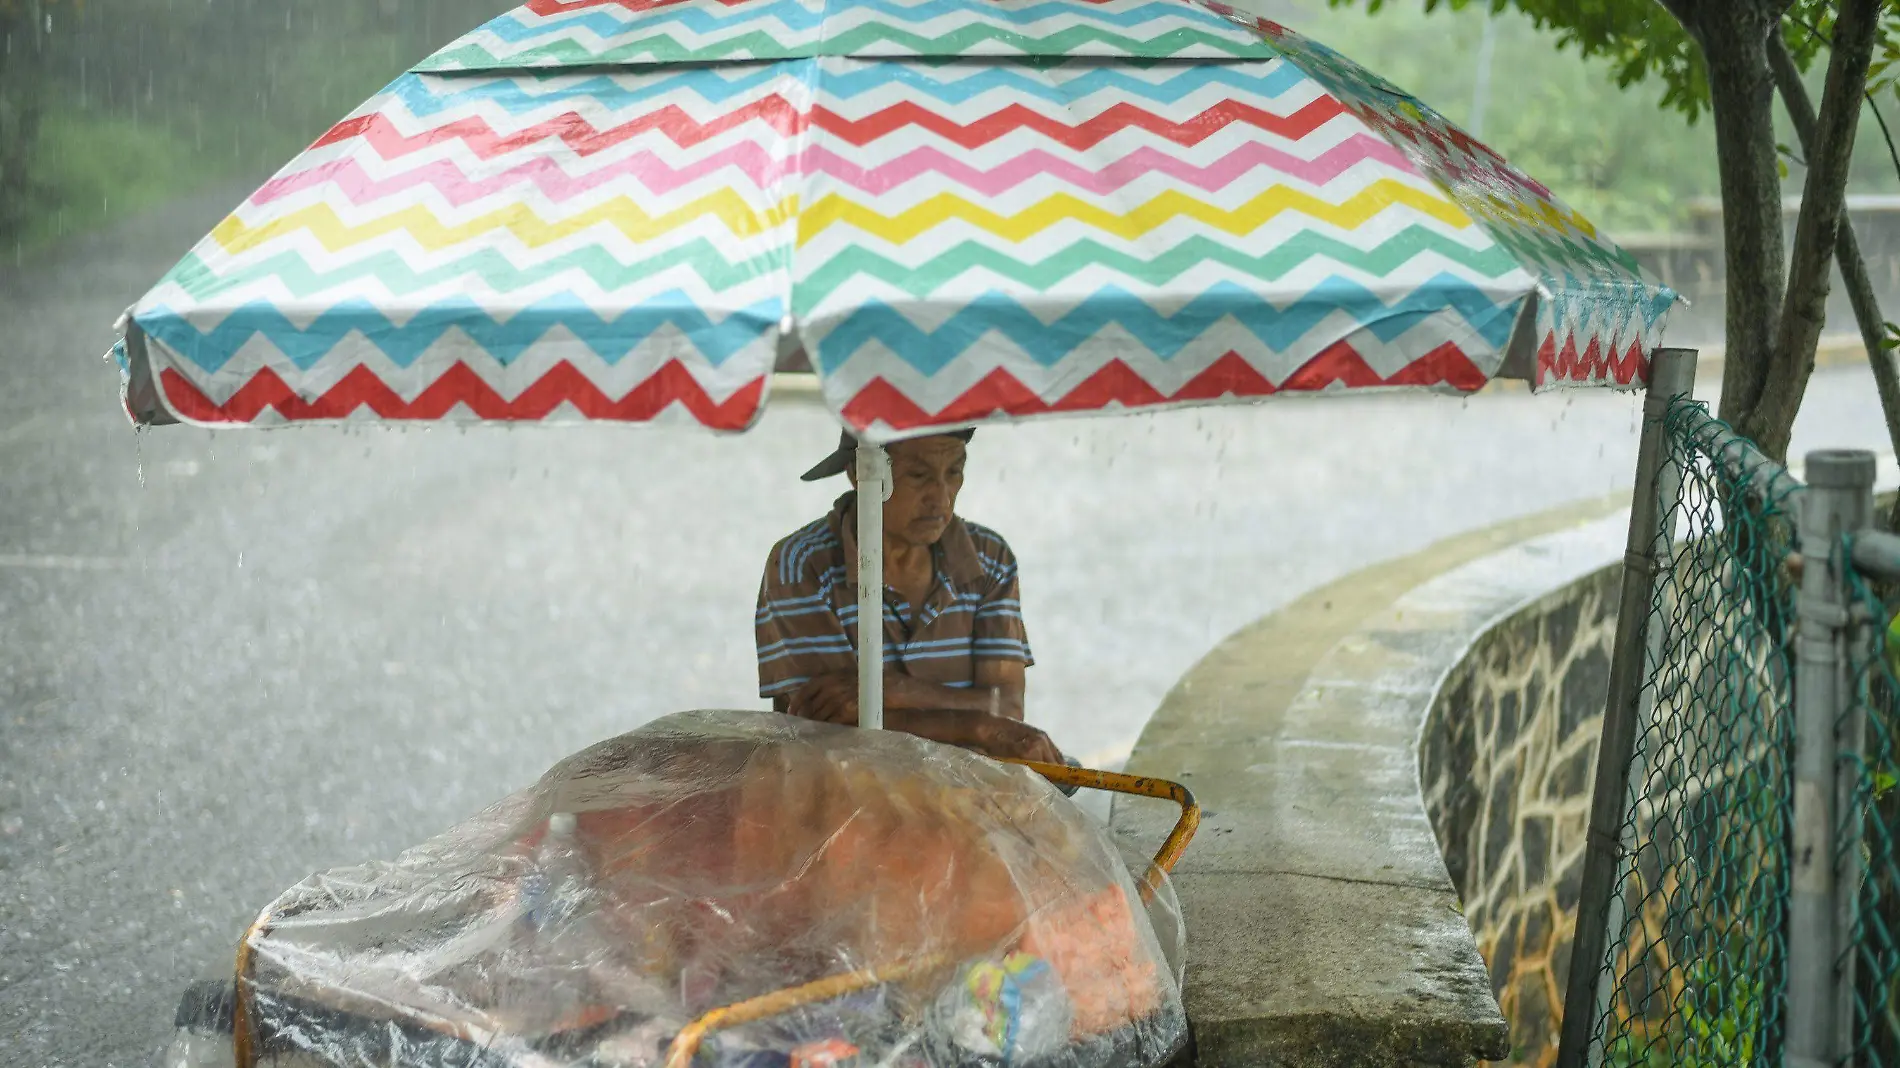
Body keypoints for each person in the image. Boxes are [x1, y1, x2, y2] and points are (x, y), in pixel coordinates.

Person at [755, 428, 1065, 763]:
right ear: (861, 473)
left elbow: (1006, 706)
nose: (942, 497)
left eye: (954, 472)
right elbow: (829, 728)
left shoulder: (989, 558)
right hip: (850, 798)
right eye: (919, 475)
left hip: (968, 800)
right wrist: (978, 726)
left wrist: (892, 690)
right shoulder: (801, 564)